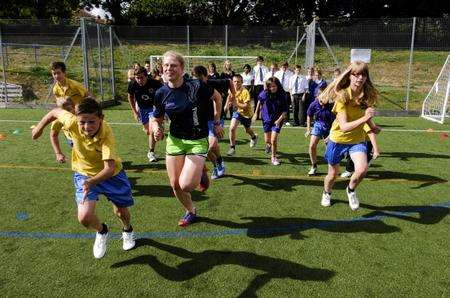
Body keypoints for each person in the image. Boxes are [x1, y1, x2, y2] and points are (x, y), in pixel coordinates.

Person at [32, 98, 135, 259]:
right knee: (85, 218)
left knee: (121, 212)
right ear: (77, 119)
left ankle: (127, 229)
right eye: (83, 122)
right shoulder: (72, 121)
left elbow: (109, 169)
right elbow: (55, 112)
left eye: (92, 122)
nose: (87, 127)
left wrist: (92, 182)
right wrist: (39, 128)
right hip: (84, 173)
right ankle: (102, 231)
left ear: (102, 118)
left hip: (112, 176)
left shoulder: (107, 135)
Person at [151, 51, 223, 227]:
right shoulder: (161, 93)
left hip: (197, 139)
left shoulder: (196, 85)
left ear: (182, 68)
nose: (169, 68)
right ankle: (191, 210)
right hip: (175, 140)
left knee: (186, 185)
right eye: (166, 65)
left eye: (174, 65)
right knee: (175, 185)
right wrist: (156, 130)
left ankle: (199, 171)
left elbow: (218, 97)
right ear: (162, 68)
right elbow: (156, 119)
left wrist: (217, 121)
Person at [319, 61, 380, 211]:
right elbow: (345, 127)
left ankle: (351, 190)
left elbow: (365, 114)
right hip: (338, 139)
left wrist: (372, 127)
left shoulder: (366, 95)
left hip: (357, 139)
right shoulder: (342, 96)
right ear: (350, 76)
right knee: (333, 175)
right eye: (356, 74)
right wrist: (366, 119)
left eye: (363, 74)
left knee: (362, 169)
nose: (360, 78)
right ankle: (327, 192)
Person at [191, 65, 235, 180]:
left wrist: (234, 96)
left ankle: (218, 163)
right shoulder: (190, 85)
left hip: (214, 119)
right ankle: (218, 163)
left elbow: (229, 81)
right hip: (200, 120)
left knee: (210, 145)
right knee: (207, 147)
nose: (198, 82)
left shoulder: (213, 83)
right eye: (195, 79)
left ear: (206, 77)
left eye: (200, 79)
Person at [50, 61, 90, 160]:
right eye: (54, 73)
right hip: (69, 122)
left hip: (81, 118)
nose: (56, 76)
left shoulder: (75, 85)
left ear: (64, 73)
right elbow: (60, 104)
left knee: (89, 146)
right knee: (78, 149)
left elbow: (89, 96)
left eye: (58, 73)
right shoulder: (55, 89)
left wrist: (86, 109)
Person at [127, 66, 163, 163]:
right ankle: (157, 130)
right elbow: (130, 97)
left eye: (142, 77)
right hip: (142, 109)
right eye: (137, 78)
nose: (139, 80)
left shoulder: (154, 83)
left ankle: (151, 152)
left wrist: (162, 109)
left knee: (151, 131)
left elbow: (164, 94)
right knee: (147, 131)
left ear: (146, 76)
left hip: (153, 108)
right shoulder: (132, 84)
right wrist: (135, 112)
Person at [252, 77, 288, 166]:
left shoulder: (282, 95)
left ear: (278, 86)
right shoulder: (264, 93)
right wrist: (256, 113)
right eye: (270, 86)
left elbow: (285, 110)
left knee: (273, 139)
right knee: (267, 140)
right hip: (266, 119)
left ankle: (273, 156)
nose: (273, 88)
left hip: (277, 120)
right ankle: (268, 145)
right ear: (268, 87)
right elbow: (259, 102)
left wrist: (279, 120)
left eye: (274, 86)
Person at [305, 85, 335, 175]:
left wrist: (330, 136)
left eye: (326, 96)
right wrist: (308, 129)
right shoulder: (314, 104)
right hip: (318, 125)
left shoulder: (332, 106)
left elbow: (336, 122)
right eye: (321, 96)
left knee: (330, 151)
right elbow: (309, 115)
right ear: (317, 96)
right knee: (312, 146)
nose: (323, 98)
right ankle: (314, 166)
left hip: (331, 127)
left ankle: (332, 168)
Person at [227, 74, 258, 156]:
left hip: (246, 114)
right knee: (232, 128)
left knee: (247, 130)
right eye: (234, 81)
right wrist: (226, 105)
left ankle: (254, 137)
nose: (236, 83)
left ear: (242, 82)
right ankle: (232, 148)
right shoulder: (231, 89)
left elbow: (246, 106)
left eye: (238, 81)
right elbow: (229, 97)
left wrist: (235, 103)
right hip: (237, 112)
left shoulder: (245, 92)